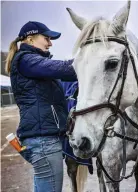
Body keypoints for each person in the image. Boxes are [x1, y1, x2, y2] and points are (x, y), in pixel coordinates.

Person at [6, 21, 77, 192]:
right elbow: (66, 69)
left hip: (43, 139)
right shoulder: (26, 60)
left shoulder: (30, 62)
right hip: (44, 141)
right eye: (46, 38)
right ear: (30, 39)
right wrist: (95, 57)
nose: (50, 43)